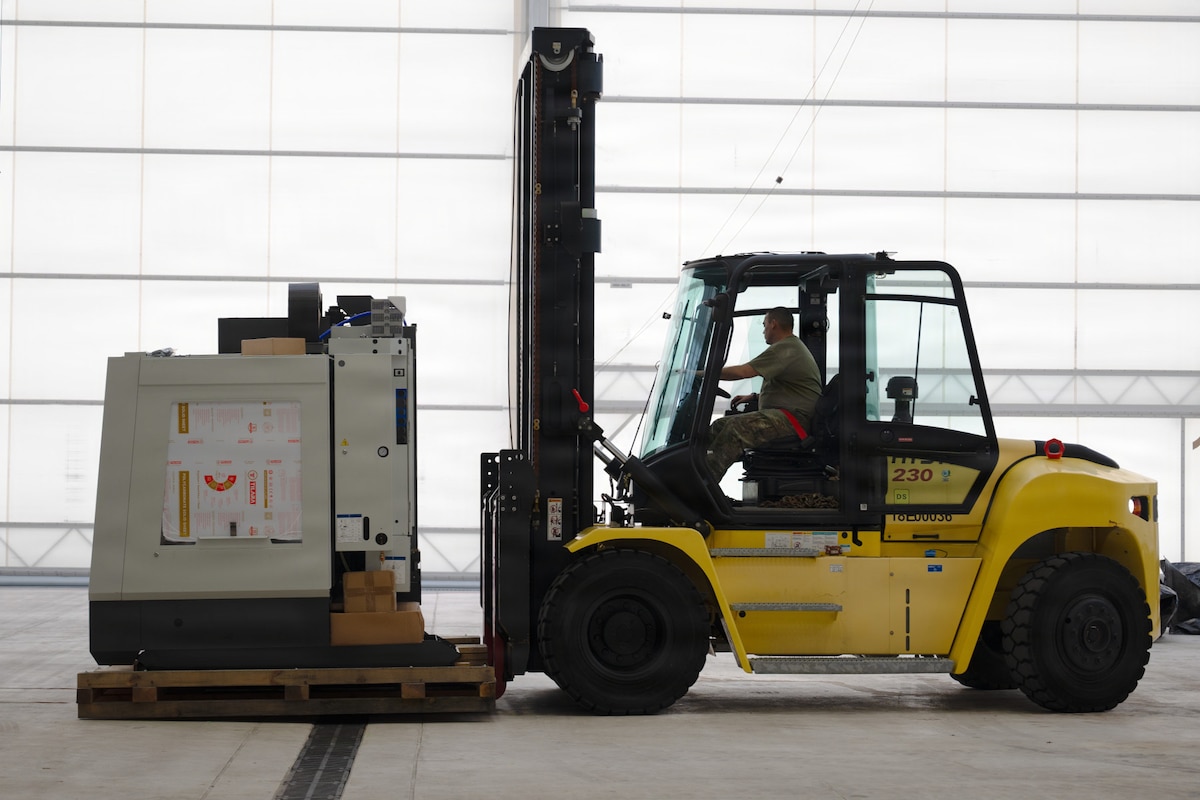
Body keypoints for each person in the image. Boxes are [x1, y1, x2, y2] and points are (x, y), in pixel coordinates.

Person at [706, 307, 822, 480]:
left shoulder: (786, 348)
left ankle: (703, 486)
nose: (763, 330)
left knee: (735, 430)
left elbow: (743, 372)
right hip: (787, 415)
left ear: (773, 324)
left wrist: (703, 373)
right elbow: (791, 389)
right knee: (719, 426)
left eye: (764, 325)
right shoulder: (790, 348)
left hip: (794, 420)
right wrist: (754, 397)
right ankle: (697, 473)